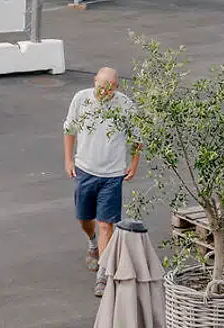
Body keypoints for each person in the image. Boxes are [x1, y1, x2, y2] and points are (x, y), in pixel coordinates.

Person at [63, 66, 141, 297]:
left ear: (115, 88)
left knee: (107, 223)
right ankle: (92, 242)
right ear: (94, 80)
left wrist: (134, 164)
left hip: (112, 174)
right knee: (84, 219)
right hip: (85, 169)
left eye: (108, 89)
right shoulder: (81, 99)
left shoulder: (125, 105)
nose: (103, 92)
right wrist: (68, 160)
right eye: (100, 87)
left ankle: (103, 275)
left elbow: (137, 136)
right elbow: (69, 129)